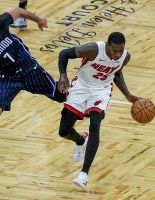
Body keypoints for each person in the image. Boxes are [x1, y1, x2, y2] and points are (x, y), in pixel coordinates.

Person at [0, 7, 66, 182]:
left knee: (62, 96)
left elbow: (18, 11)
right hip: (8, 79)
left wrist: (38, 19)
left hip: (31, 70)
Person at [57, 32, 141, 189]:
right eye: (115, 50)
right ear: (108, 45)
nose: (117, 54)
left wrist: (127, 95)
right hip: (81, 85)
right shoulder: (93, 49)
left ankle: (83, 174)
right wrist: (63, 76)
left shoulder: (125, 57)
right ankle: (81, 140)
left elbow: (116, 73)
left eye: (120, 50)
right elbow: (64, 54)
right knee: (63, 131)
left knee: (95, 124)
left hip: (101, 90)